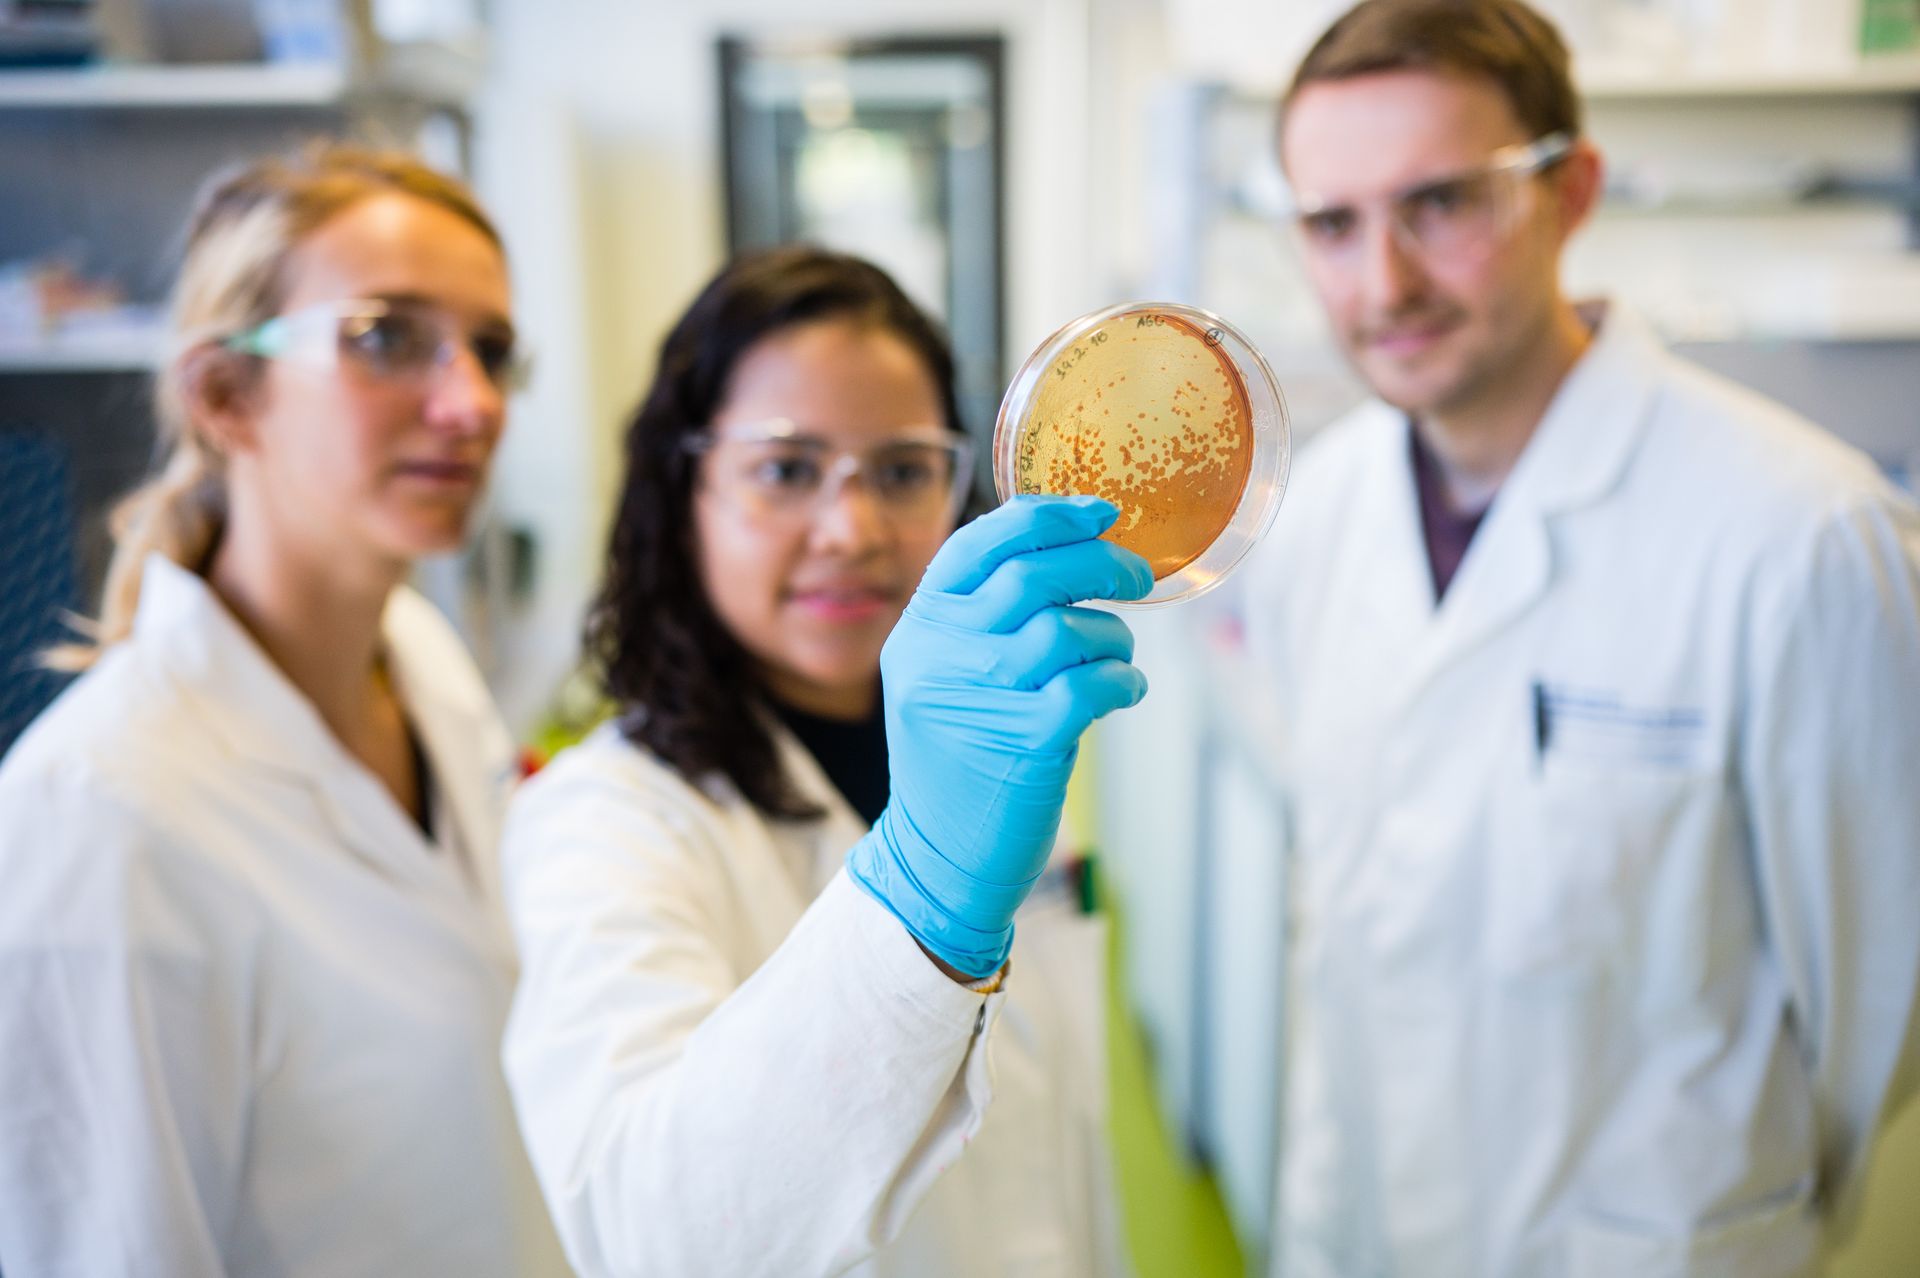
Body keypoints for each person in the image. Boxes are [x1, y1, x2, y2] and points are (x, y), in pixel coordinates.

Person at [1239, 2, 1920, 1274]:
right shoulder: (1315, 516)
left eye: (1441, 202)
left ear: (1574, 190)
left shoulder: (1803, 536)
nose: (1382, 283)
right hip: (1362, 1228)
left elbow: (1872, 1011)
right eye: (1333, 224)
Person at [500, 246, 1143, 1276]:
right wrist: (923, 899)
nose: (851, 529)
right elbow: (649, 1237)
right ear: (686, 492)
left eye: (900, 470)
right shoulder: (606, 818)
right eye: (786, 470)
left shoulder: (991, 758)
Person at [0, 145, 570, 1274]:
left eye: (490, 350)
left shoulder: (421, 660)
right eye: (385, 337)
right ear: (225, 394)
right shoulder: (97, 820)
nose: (470, 403)